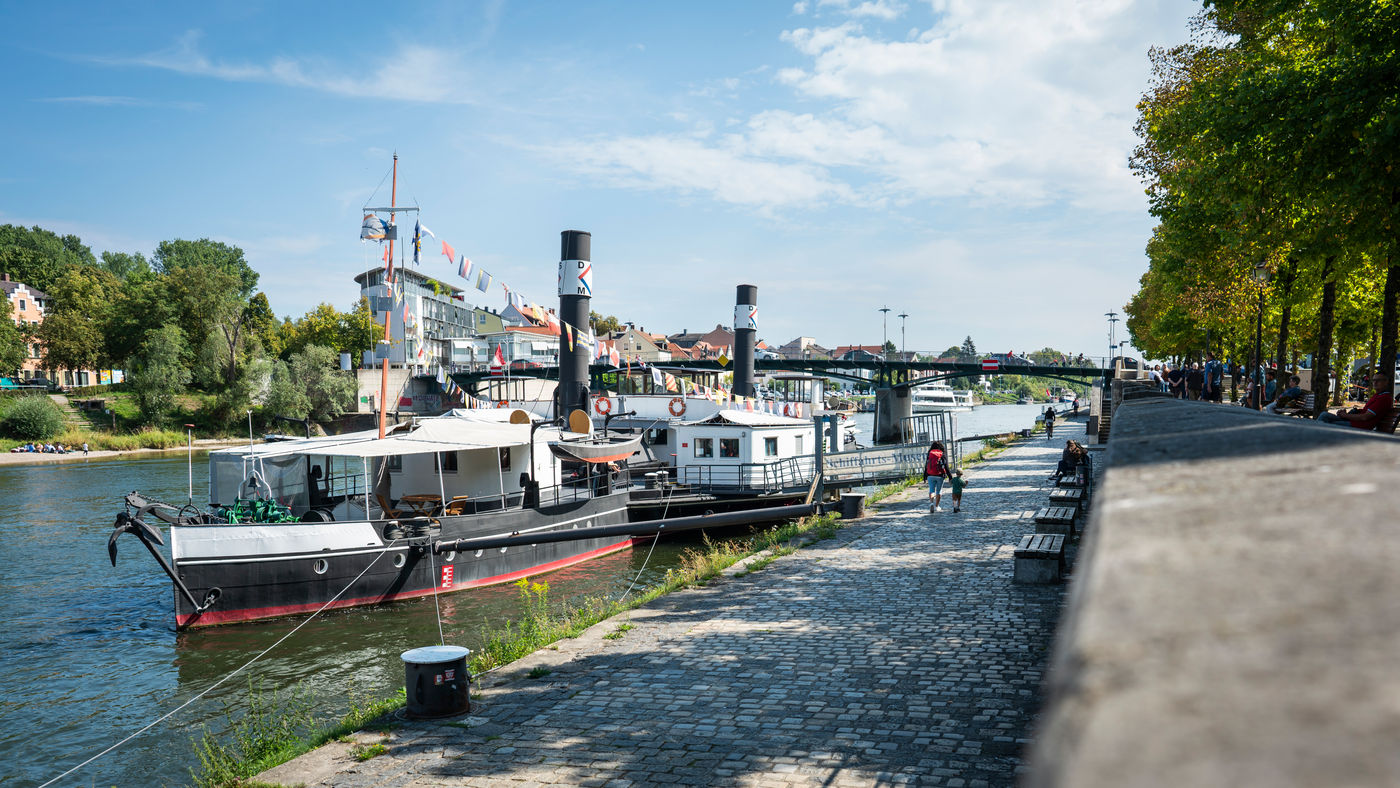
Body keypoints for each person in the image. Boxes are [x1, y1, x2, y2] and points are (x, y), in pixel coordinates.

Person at [1317, 372, 1393, 429]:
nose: (1375, 383)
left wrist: (1345, 415)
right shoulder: (1378, 395)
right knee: (1324, 415)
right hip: (1356, 423)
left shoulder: (1384, 398)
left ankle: (1313, 439)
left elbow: (1365, 417)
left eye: (1378, 380)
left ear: (1386, 382)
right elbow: (1365, 412)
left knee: (1326, 421)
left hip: (1360, 426)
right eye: (1374, 380)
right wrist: (1350, 412)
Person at [924, 440, 951, 513]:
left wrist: (925, 476)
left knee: (931, 490)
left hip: (930, 475)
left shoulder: (930, 454)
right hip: (940, 475)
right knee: (939, 491)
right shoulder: (942, 454)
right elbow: (946, 466)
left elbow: (926, 465)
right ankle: (937, 506)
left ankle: (931, 503)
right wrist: (950, 477)